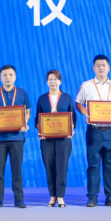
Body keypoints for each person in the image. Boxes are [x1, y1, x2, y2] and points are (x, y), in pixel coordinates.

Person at [76, 54, 111, 207]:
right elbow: (78, 103)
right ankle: (92, 197)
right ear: (94, 68)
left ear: (108, 68)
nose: (101, 68)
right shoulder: (86, 85)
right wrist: (87, 114)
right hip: (94, 131)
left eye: (104, 65)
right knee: (93, 165)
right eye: (98, 65)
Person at [0, 64, 31, 208]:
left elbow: (27, 112)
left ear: (15, 77)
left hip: (17, 138)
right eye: (5, 75)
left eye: (10, 75)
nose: (8, 78)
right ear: (1, 77)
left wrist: (24, 123)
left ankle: (19, 199)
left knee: (17, 170)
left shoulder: (22, 93)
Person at [36, 69, 76, 207]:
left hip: (64, 139)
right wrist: (40, 131)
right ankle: (52, 196)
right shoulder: (42, 98)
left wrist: (71, 129)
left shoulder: (67, 98)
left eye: (55, 79)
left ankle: (60, 197)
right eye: (50, 79)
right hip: (46, 139)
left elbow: (73, 117)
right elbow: (38, 118)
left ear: (60, 81)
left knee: (62, 167)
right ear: (47, 82)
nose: (53, 82)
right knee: (49, 167)